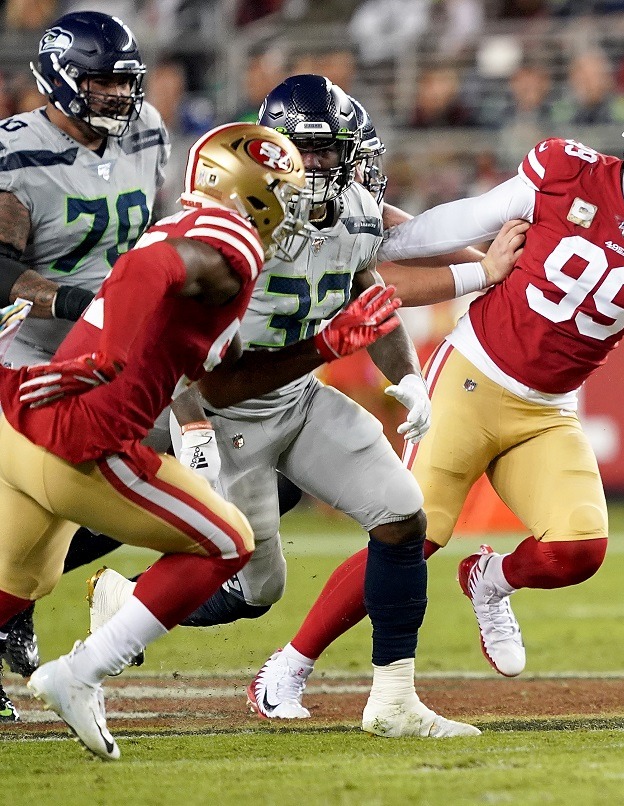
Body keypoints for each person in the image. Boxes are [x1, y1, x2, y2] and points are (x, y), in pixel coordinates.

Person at [242, 88, 624, 718]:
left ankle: (490, 581)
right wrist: (377, 244)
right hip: (473, 376)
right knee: (410, 538)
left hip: (549, 408)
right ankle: (288, 667)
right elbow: (466, 219)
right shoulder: (569, 169)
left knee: (579, 549)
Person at [86, 77, 525, 737]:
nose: (319, 165)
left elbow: (368, 284)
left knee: (404, 514)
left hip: (299, 396)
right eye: (307, 150)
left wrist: (405, 376)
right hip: (227, 408)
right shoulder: (241, 220)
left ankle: (394, 702)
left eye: (330, 151)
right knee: (256, 590)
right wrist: (205, 406)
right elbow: (188, 350)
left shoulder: (350, 208)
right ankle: (117, 613)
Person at [0, 121, 399, 760]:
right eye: (285, 192)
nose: (297, 208)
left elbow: (224, 385)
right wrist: (107, 356)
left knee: (15, 584)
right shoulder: (233, 242)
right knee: (228, 542)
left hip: (22, 423)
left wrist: (326, 344)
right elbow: (142, 271)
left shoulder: (189, 231)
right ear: (253, 193)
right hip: (85, 439)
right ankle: (81, 673)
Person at [0, 10, 170, 711]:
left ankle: (17, 602)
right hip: (30, 354)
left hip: (116, 350)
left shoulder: (150, 130)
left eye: (123, 82)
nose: (117, 96)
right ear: (60, 79)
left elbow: (154, 235)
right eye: (100, 82)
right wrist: (83, 305)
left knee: (232, 471)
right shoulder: (16, 150)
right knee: (38, 508)